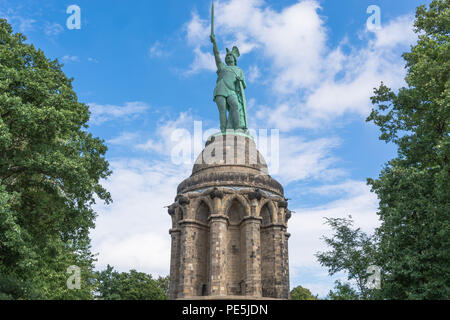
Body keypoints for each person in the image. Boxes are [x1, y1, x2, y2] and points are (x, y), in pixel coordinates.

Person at [210, 34, 248, 132]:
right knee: (222, 111)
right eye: (227, 56)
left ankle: (237, 127)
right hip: (220, 90)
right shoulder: (222, 67)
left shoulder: (239, 70)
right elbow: (217, 55)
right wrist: (214, 42)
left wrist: (240, 80)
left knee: (235, 106)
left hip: (232, 91)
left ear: (234, 59)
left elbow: (243, 85)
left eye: (230, 56)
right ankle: (223, 129)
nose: (228, 57)